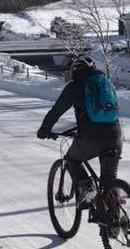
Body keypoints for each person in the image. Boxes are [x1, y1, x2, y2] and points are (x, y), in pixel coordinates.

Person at [37, 56, 122, 214]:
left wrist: (44, 129)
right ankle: (116, 218)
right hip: (115, 135)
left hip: (92, 136)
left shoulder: (75, 86)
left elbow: (57, 110)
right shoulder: (107, 83)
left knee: (71, 159)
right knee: (109, 181)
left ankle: (87, 189)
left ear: (75, 71)